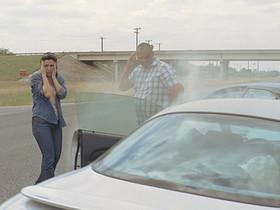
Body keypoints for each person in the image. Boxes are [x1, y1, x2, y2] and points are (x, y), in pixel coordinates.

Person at [119, 42, 183, 124]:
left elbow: (177, 89)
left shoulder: (163, 68)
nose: (143, 60)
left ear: (152, 54)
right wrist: (128, 66)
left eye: (146, 57)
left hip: (160, 121)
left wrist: (169, 112)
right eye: (140, 58)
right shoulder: (137, 70)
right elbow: (122, 87)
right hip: (143, 123)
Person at [30, 52, 67, 184]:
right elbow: (46, 92)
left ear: (56, 66)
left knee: (56, 156)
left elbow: (62, 94)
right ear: (41, 65)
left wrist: (54, 78)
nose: (49, 68)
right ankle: (46, 188)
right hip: (41, 122)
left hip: (56, 122)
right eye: (46, 66)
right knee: (49, 157)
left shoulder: (59, 78)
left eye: (52, 65)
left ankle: (39, 185)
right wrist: (45, 76)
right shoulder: (35, 78)